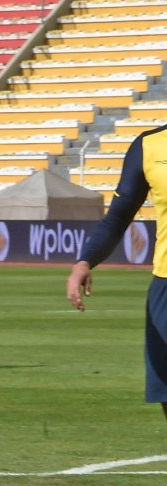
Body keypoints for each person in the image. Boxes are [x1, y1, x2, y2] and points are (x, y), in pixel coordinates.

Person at [67, 123, 167, 422]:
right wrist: (84, 261)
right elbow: (118, 217)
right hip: (166, 285)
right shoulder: (150, 146)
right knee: (165, 389)